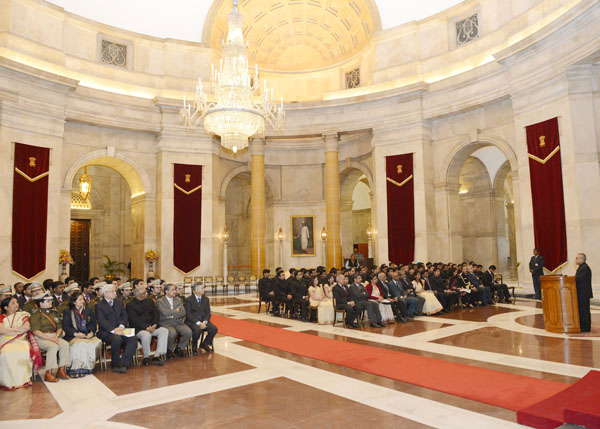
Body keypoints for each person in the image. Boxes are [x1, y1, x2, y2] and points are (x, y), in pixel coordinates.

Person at [0, 297, 42, 390]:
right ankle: (8, 381)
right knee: (6, 353)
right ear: (6, 307)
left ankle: (22, 380)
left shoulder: (23, 315)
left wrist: (11, 331)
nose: (17, 305)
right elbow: (1, 330)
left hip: (21, 340)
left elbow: (26, 328)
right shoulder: (1, 317)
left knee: (23, 351)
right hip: (5, 341)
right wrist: (17, 330)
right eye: (13, 303)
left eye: (17, 302)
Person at [95, 284, 137, 373]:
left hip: (121, 328)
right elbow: (102, 321)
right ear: (105, 293)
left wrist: (121, 327)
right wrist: (114, 330)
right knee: (116, 339)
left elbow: (125, 316)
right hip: (106, 331)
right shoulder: (99, 305)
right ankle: (115, 363)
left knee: (133, 337)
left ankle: (124, 363)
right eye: (112, 291)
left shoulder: (119, 302)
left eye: (115, 291)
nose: (115, 293)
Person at [30, 292, 70, 382]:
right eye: (48, 301)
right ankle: (49, 373)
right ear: (40, 303)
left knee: (65, 345)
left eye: (50, 301)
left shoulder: (54, 313)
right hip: (41, 338)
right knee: (53, 346)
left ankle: (61, 370)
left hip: (54, 336)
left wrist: (56, 336)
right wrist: (51, 339)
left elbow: (59, 326)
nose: (50, 302)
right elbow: (36, 331)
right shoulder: (35, 315)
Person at [61, 292, 101, 377]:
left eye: (82, 299)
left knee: (94, 343)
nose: (82, 301)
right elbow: (65, 326)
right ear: (74, 302)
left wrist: (91, 332)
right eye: (80, 299)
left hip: (87, 334)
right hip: (74, 335)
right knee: (80, 344)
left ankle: (87, 368)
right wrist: (76, 333)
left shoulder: (88, 310)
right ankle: (75, 369)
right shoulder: (68, 311)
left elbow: (93, 323)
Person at [127, 286, 167, 365]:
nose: (146, 294)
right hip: (139, 328)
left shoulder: (149, 301)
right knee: (146, 335)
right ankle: (146, 357)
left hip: (152, 326)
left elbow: (156, 313)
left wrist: (154, 325)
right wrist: (146, 327)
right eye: (144, 293)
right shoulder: (130, 305)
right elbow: (134, 320)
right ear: (138, 295)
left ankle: (157, 356)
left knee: (164, 331)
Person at [157, 284, 192, 359]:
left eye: (175, 289)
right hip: (166, 323)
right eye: (172, 290)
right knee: (172, 333)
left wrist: (172, 314)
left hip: (177, 322)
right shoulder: (160, 301)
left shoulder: (178, 300)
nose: (175, 291)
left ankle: (179, 348)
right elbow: (164, 313)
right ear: (166, 291)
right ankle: (169, 350)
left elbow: (183, 312)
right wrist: (176, 311)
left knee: (188, 331)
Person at [184, 283, 218, 354]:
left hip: (203, 320)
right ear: (196, 290)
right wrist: (199, 323)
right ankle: (194, 346)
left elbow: (208, 313)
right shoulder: (188, 300)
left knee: (214, 329)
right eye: (202, 288)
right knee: (197, 330)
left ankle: (205, 343)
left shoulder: (206, 299)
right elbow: (189, 315)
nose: (204, 289)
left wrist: (205, 322)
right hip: (192, 321)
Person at [575, 253, 593, 333]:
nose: (576, 260)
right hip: (581, 292)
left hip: (584, 293)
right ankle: (582, 325)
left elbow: (578, 279)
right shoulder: (581, 267)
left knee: (584, 310)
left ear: (582, 259)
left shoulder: (584, 268)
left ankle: (585, 327)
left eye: (577, 258)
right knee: (582, 310)